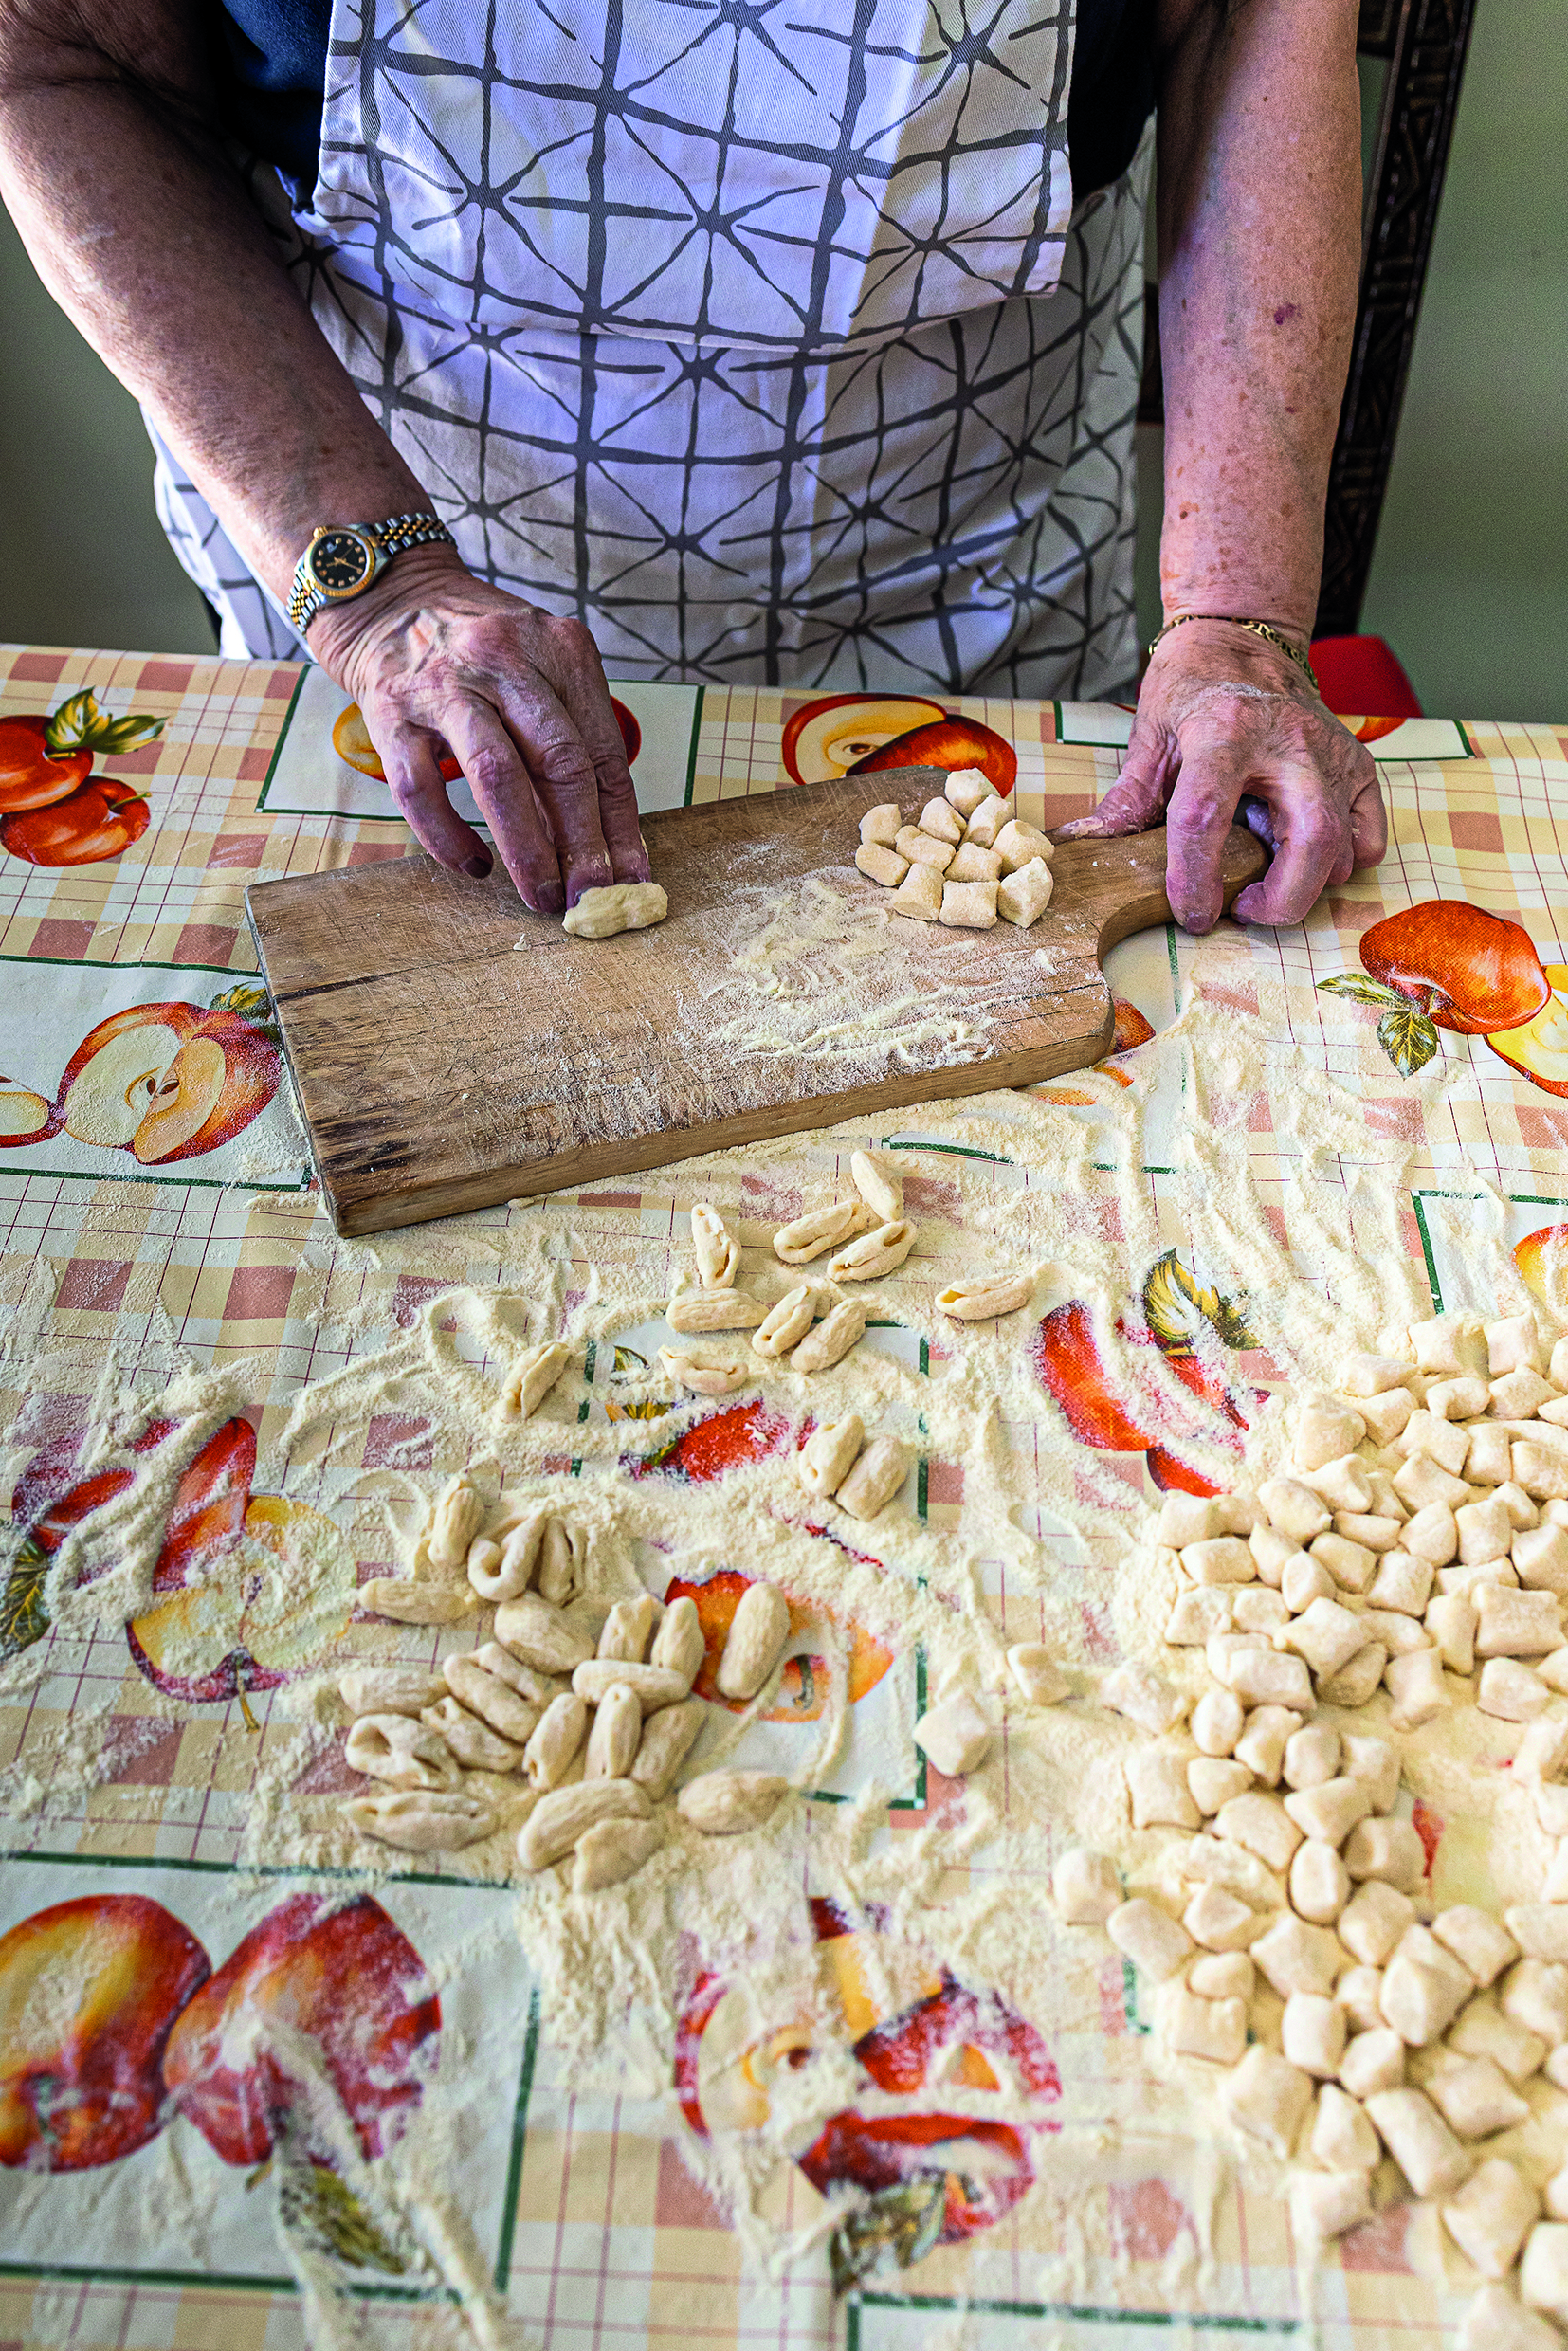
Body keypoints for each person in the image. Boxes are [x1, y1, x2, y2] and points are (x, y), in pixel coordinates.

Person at [0, 0, 1384, 932]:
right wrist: (375, 584)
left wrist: (1236, 612)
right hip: (408, 532)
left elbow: (1251, 15)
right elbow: (49, 49)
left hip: (967, 531)